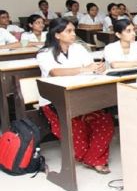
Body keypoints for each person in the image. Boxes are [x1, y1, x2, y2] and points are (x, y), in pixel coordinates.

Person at [36, 18, 114, 174]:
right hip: (56, 101)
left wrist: (98, 68)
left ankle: (93, 159)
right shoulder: (44, 53)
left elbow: (90, 67)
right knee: (75, 132)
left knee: (105, 122)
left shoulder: (79, 48)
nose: (73, 34)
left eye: (73, 30)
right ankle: (93, 158)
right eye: (68, 31)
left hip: (81, 96)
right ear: (57, 35)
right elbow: (55, 72)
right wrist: (84, 69)